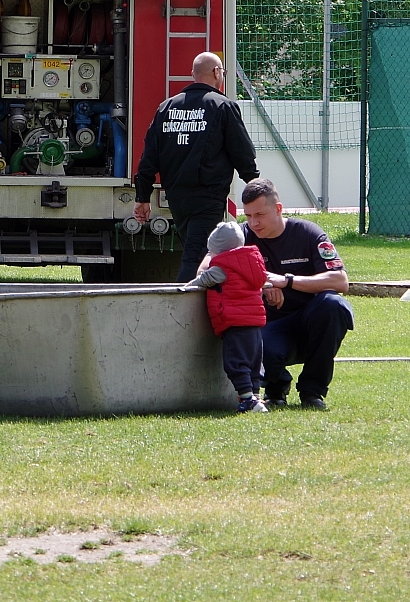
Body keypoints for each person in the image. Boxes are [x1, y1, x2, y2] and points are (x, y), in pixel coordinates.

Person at [134, 52, 260, 281]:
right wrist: (257, 187)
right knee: (197, 257)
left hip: (177, 198)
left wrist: (143, 196)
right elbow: (242, 153)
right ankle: (183, 300)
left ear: (193, 74)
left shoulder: (166, 108)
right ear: (217, 72)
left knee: (194, 250)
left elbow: (149, 156)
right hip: (208, 197)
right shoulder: (223, 106)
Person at [240, 178, 353, 409]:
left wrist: (287, 281)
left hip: (311, 323)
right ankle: (276, 386)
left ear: (278, 209)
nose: (253, 223)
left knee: (334, 305)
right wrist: (263, 284)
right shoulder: (242, 235)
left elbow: (340, 281)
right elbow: (208, 268)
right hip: (270, 326)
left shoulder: (308, 233)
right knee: (260, 347)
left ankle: (312, 392)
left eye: (260, 215)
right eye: (248, 216)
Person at [181, 220, 270, 413]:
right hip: (254, 324)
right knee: (254, 363)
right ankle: (256, 397)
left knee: (235, 363)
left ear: (219, 250)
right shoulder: (251, 263)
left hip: (235, 323)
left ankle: (247, 399)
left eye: (211, 251)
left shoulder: (223, 268)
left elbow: (202, 280)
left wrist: (184, 288)